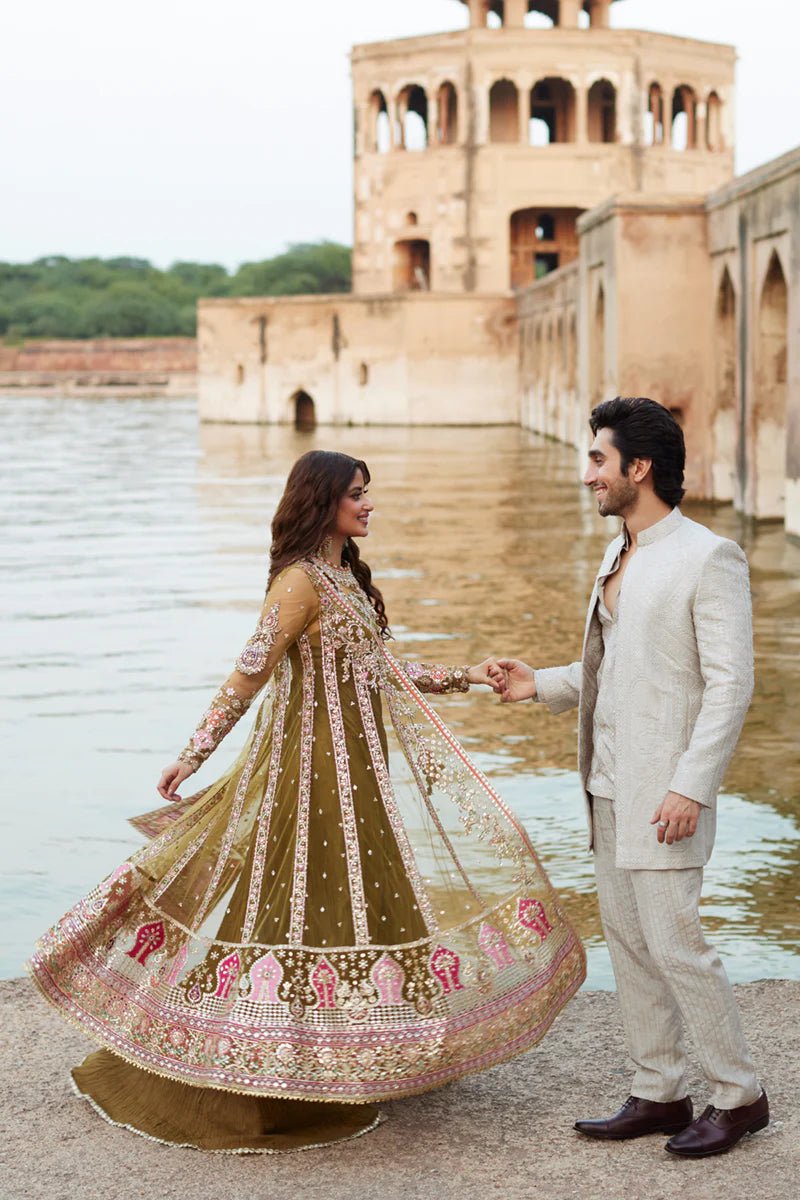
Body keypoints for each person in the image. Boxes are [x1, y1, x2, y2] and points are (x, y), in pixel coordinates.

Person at [29, 449, 585, 1154]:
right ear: (323, 503)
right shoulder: (298, 583)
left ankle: (352, 1053)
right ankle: (262, 1072)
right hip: (312, 775)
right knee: (299, 911)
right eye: (357, 495)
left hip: (361, 777)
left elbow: (383, 671)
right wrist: (191, 756)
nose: (369, 505)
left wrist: (466, 676)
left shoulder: (345, 577)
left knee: (358, 907)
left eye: (367, 494)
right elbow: (247, 675)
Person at [492, 397, 769, 1159]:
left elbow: (729, 685)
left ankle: (739, 1097)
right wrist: (537, 684)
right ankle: (659, 1091)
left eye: (597, 461)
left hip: (666, 791)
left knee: (678, 944)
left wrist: (693, 785)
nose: (587, 476)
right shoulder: (620, 554)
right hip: (608, 783)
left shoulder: (707, 556)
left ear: (637, 468)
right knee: (631, 943)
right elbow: (615, 670)